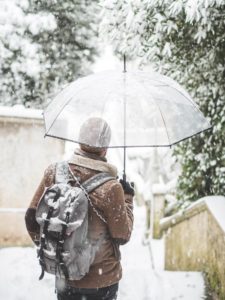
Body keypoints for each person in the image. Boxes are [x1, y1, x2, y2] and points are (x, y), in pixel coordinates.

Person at [25, 117, 134, 300]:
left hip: (64, 278)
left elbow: (31, 218)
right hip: (102, 281)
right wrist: (128, 198)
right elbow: (122, 235)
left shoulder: (55, 173)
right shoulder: (111, 187)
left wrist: (58, 250)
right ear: (105, 147)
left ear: (79, 141)